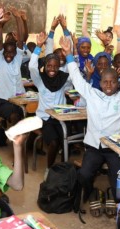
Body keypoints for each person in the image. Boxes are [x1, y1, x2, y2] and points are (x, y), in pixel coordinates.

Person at [59, 31, 120, 201]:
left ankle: (113, 197)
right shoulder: (92, 94)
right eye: (105, 82)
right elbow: (76, 78)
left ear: (117, 82)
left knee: (118, 178)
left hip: (114, 148)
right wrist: (68, 54)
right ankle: (90, 192)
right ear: (100, 83)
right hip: (93, 147)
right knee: (84, 174)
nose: (109, 85)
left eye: (113, 81)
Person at [30, 32, 72, 168]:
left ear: (59, 67)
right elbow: (31, 67)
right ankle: (49, 169)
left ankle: (62, 170)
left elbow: (76, 75)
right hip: (45, 118)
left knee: (66, 140)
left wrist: (69, 53)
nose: (52, 69)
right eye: (49, 66)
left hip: (60, 117)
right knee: (54, 142)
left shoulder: (63, 79)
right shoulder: (40, 80)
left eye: (55, 66)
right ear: (45, 66)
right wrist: (38, 46)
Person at [0, 7, 28, 126]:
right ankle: (16, 143)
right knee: (15, 116)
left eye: (11, 52)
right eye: (6, 52)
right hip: (2, 101)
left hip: (19, 100)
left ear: (15, 53)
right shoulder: (0, 61)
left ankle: (28, 142)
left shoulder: (17, 60)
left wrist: (18, 18)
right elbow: (0, 41)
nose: (9, 54)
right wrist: (1, 22)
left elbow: (21, 40)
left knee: (32, 113)